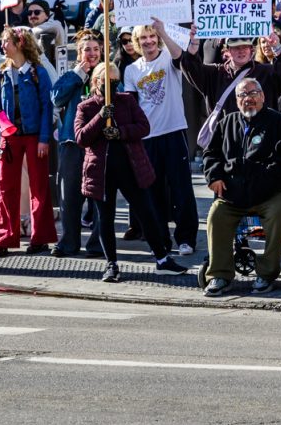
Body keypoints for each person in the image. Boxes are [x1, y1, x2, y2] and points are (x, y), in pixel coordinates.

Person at [73, 62, 188, 283]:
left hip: (130, 167)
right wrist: (100, 117)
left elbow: (144, 127)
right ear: (96, 82)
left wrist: (120, 132)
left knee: (146, 213)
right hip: (102, 171)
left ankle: (162, 259)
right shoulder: (85, 107)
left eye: (116, 82)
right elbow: (81, 138)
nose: (112, 86)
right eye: (108, 82)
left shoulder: (126, 101)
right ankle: (111, 264)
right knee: (105, 218)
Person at [201, 78, 281, 296]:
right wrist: (214, 176)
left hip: (272, 192)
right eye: (242, 95)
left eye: (252, 93)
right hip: (234, 193)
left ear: (262, 96)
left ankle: (266, 274)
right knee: (216, 215)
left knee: (277, 213)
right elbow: (211, 154)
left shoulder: (280, 123)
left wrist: (263, 175)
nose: (248, 99)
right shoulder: (227, 123)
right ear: (237, 101)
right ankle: (220, 274)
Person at [124, 20, 198, 257]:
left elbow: (180, 55)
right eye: (143, 38)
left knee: (181, 188)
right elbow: (131, 103)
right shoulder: (132, 70)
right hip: (148, 138)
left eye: (152, 36)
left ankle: (186, 238)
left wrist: (164, 31)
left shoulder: (169, 56)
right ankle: (161, 240)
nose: (148, 41)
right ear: (137, 42)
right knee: (153, 191)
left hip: (174, 131)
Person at [0, 26, 56, 257]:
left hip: (35, 136)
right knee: (5, 187)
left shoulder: (38, 72)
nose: (2, 46)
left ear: (19, 44)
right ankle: (3, 238)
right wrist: (2, 123)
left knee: (39, 187)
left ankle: (40, 238)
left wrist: (44, 139)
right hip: (10, 137)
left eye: (6, 41)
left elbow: (47, 107)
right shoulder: (1, 73)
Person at [50, 29, 104, 258]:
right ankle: (69, 241)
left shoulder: (107, 72)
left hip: (99, 144)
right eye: (86, 50)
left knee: (100, 196)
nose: (91, 54)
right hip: (72, 143)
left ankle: (97, 243)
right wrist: (78, 74)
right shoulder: (71, 74)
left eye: (95, 49)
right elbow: (56, 97)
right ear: (79, 52)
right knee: (69, 196)